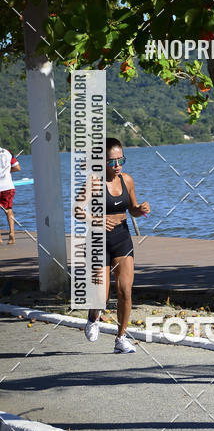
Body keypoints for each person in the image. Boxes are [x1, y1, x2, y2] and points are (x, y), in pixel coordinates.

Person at [82, 138, 150, 353]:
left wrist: (141, 209)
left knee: (125, 291)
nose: (117, 165)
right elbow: (78, 211)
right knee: (102, 295)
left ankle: (121, 339)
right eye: (112, 162)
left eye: (121, 160)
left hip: (121, 237)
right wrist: (99, 220)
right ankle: (94, 317)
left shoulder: (127, 180)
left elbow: (132, 209)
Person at [0, 146, 20, 245]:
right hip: (8, 186)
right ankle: (12, 233)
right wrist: (7, 171)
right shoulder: (7, 152)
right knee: (9, 210)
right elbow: (17, 167)